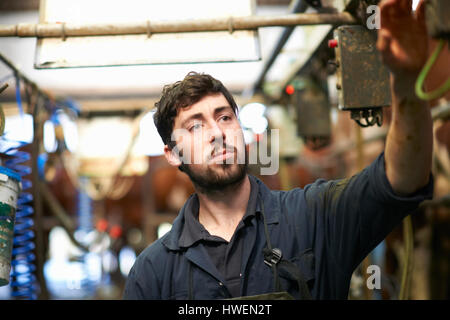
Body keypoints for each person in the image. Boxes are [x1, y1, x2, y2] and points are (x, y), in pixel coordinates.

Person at [123, 0, 434, 299]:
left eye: (225, 117)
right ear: (173, 153)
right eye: (196, 126)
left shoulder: (315, 217)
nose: (217, 133)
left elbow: (400, 180)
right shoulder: (153, 272)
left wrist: (407, 84)